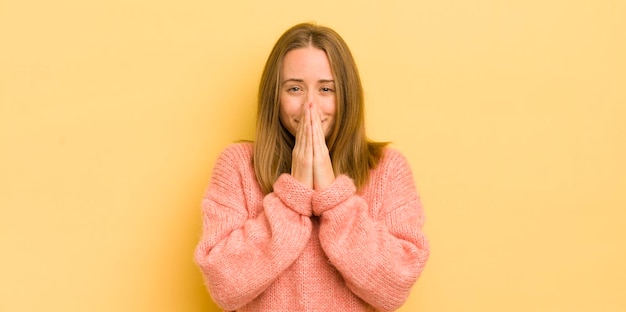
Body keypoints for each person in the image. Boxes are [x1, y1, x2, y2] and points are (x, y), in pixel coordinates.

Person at [194, 22, 429, 312]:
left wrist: (334, 197)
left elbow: (395, 284)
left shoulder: (387, 168)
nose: (310, 106)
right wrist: (293, 197)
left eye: (326, 89)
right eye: (294, 88)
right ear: (274, 98)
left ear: (347, 96)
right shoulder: (238, 166)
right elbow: (223, 285)